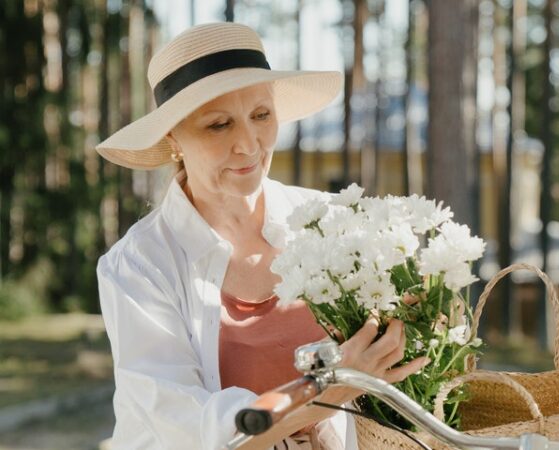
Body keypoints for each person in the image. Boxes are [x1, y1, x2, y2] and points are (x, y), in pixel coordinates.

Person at [96, 22, 429, 450]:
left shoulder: (328, 223)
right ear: (173, 137)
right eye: (219, 125)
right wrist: (333, 388)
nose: (249, 145)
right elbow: (193, 428)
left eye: (261, 115)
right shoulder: (140, 265)